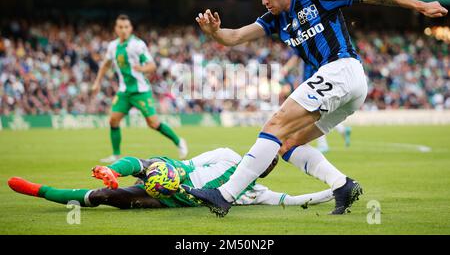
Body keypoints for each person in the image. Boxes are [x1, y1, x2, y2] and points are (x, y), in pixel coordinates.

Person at [184, 0, 448, 216]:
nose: (264, 1)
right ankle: (342, 185)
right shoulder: (274, 19)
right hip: (346, 85)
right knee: (286, 144)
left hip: (341, 69)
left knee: (274, 126)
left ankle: (225, 195)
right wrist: (215, 33)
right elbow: (237, 36)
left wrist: (419, 5)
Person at [7, 148, 333, 210]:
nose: (263, 166)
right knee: (148, 165)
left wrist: (332, 191)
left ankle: (39, 191)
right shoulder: (227, 154)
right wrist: (165, 173)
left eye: (268, 165)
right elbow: (188, 163)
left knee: (103, 198)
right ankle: (112, 169)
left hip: (168, 198)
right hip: (175, 172)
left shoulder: (255, 192)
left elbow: (290, 201)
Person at [91, 14, 188, 163]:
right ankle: (116, 155)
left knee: (153, 123)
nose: (123, 30)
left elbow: (152, 65)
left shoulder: (137, 45)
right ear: (116, 29)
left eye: (126, 27)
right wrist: (97, 82)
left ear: (131, 28)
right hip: (124, 91)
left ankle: (179, 141)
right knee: (113, 120)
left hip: (140, 91)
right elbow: (105, 64)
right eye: (120, 27)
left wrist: (142, 69)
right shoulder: (112, 46)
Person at [282, 54, 352, 152]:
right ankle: (342, 129)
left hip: (312, 84)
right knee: (320, 113)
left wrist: (285, 69)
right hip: (322, 83)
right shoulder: (319, 51)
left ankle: (323, 144)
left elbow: (295, 57)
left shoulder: (306, 47)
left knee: (314, 114)